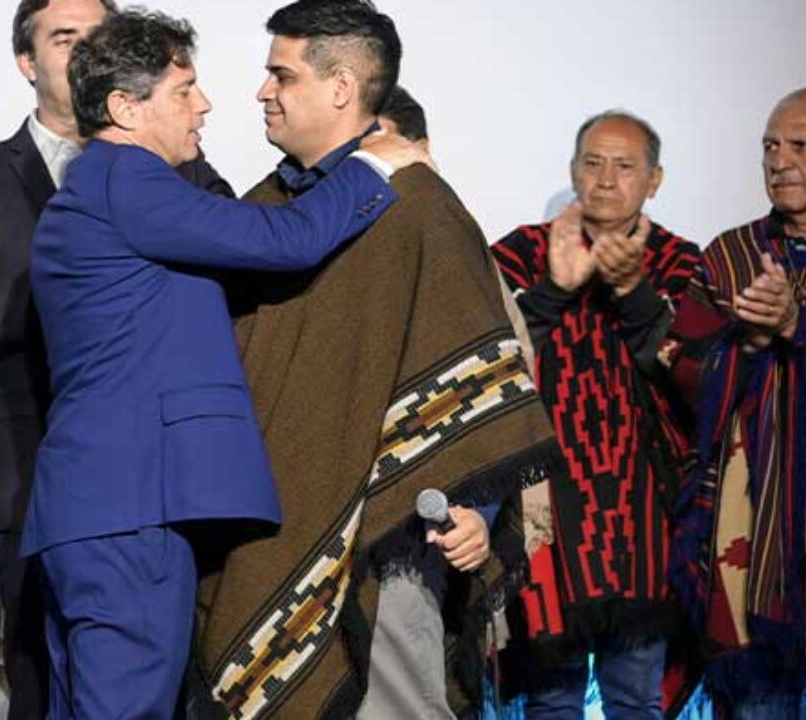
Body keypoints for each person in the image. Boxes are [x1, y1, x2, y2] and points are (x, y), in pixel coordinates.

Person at [24, 8, 430, 717]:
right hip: (132, 509)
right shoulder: (127, 180)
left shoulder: (100, 188)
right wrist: (377, 160)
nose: (205, 104)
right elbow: (286, 239)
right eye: (184, 90)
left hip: (99, 511)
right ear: (124, 108)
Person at [193, 3, 556, 718]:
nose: (263, 92)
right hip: (261, 534)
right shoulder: (267, 209)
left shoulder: (418, 209)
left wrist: (475, 507)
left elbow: (473, 376)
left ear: (340, 87)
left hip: (387, 544)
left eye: (281, 75)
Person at [0, 1, 232, 714]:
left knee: (155, 685)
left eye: (99, 35)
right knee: (43, 690)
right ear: (26, 62)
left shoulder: (179, 165)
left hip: (152, 481)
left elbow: (233, 248)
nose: (87, 49)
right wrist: (81, 268)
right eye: (65, 38)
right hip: (31, 471)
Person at [490, 111, 700, 718]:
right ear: (573, 170)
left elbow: (692, 376)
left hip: (643, 513)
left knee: (635, 698)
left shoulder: (680, 261)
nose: (606, 180)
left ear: (654, 181)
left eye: (625, 166)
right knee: (551, 702)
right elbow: (491, 362)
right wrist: (553, 292)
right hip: (544, 508)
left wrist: (635, 294)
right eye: (592, 163)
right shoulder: (522, 252)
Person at [665, 87, 806, 719]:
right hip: (747, 543)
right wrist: (746, 344)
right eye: (769, 147)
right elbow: (682, 371)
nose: (779, 161)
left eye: (800, 146)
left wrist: (798, 325)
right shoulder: (730, 257)